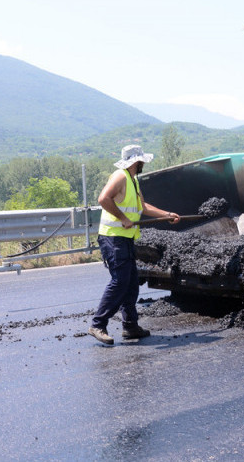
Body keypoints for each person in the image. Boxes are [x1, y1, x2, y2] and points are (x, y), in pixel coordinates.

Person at [88, 145, 180, 345]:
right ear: (135, 161)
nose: (144, 164)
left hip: (124, 238)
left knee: (130, 283)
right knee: (120, 281)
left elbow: (143, 207)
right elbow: (103, 198)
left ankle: (130, 326)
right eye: (142, 161)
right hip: (113, 238)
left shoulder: (133, 181)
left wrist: (167, 215)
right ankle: (98, 324)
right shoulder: (120, 176)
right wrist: (122, 217)